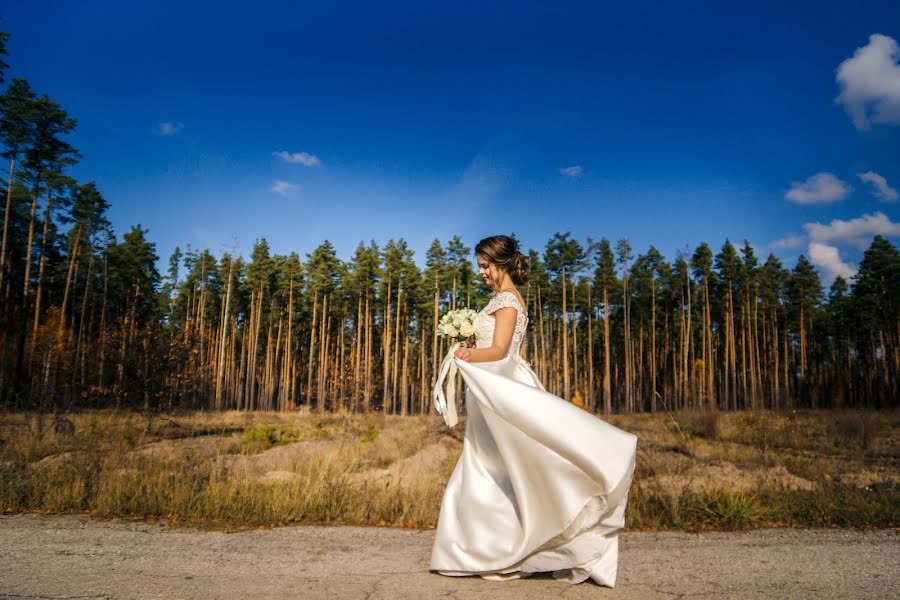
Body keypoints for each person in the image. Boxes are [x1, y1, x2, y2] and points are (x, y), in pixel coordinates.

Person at [430, 234, 638, 587]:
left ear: (502, 264)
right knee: (499, 468)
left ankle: (508, 553)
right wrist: (468, 344)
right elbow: (498, 347)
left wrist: (466, 353)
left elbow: (500, 352)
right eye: (479, 266)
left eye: (485, 266)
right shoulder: (499, 300)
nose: (480, 272)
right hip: (491, 389)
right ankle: (490, 548)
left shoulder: (508, 301)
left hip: (504, 389)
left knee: (507, 468)